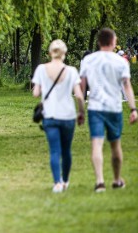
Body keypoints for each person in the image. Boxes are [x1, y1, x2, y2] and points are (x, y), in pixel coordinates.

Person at [80, 28, 137, 192]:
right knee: (115, 145)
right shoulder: (121, 62)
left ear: (98, 42)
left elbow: (82, 85)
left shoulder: (89, 60)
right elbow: (127, 85)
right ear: (113, 42)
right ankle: (117, 179)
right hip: (114, 107)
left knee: (96, 144)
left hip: (95, 108)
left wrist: (81, 110)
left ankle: (99, 181)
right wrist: (133, 108)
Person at [32, 40, 85, 193]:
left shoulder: (41, 69)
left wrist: (42, 87)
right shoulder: (72, 71)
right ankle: (66, 180)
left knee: (55, 150)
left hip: (50, 115)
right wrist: (81, 112)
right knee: (66, 150)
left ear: (50, 53)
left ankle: (57, 183)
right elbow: (80, 96)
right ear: (64, 54)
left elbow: (36, 93)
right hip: (68, 116)